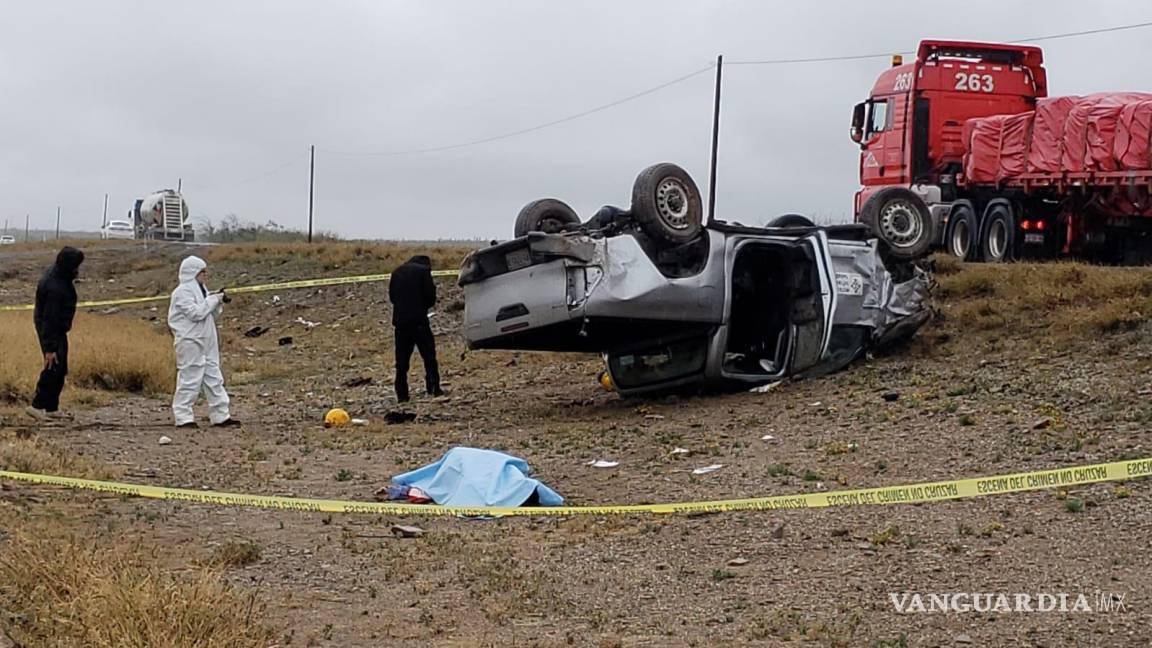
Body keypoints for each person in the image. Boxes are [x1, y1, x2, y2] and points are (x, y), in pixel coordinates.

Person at [167, 256, 240, 429]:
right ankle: (183, 417)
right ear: (193, 273)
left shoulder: (202, 291)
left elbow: (208, 315)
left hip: (206, 340)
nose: (205, 275)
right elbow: (196, 314)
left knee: (214, 377)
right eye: (202, 272)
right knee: (189, 378)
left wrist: (218, 302)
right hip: (190, 341)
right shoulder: (182, 292)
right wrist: (213, 300)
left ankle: (221, 415)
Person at [26, 246, 85, 421]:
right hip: (51, 330)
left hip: (57, 328)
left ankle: (51, 407)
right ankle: (37, 405)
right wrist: (50, 348)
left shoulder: (60, 277)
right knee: (53, 365)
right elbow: (49, 318)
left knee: (61, 368)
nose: (77, 270)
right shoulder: (54, 287)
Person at [389, 255, 442, 402]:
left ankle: (402, 393)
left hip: (400, 323)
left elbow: (392, 297)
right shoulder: (424, 271)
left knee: (401, 361)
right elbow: (430, 296)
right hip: (419, 321)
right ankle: (433, 387)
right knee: (429, 356)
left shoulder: (397, 272)